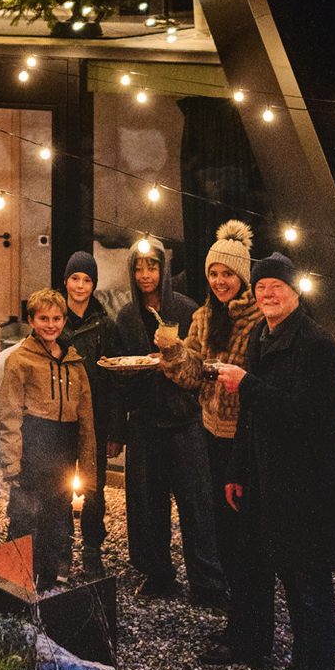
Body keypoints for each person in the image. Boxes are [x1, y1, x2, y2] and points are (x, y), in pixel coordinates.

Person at [214, 252, 335, 670]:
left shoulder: (316, 346)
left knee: (311, 590)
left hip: (310, 489)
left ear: (296, 292)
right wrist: (237, 470)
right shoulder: (260, 336)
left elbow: (310, 420)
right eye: (261, 287)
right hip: (272, 483)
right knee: (290, 582)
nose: (267, 293)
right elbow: (250, 421)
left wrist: (248, 385)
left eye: (276, 286)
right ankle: (299, 669)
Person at [154, 218, 265, 656]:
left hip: (247, 440)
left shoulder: (259, 319)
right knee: (223, 532)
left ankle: (253, 632)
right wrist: (171, 351)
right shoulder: (202, 316)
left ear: (243, 276)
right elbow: (191, 376)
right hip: (211, 435)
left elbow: (256, 383)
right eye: (214, 273)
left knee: (247, 538)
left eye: (228, 274)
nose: (220, 281)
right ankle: (239, 626)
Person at [103, 237, 226, 605]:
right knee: (145, 505)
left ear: (163, 269)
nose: (144, 275)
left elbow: (200, 364)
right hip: (144, 422)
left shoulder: (186, 309)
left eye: (152, 267)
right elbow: (118, 372)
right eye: (138, 268)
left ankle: (208, 582)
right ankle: (157, 574)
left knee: (198, 505)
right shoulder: (125, 317)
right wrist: (118, 428)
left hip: (185, 421)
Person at [0, 286, 98, 589]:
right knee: (25, 514)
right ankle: (16, 580)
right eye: (44, 318)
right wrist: (11, 462)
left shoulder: (74, 363)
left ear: (64, 320)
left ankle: (48, 579)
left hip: (64, 448)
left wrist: (88, 467)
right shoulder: (21, 360)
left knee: (57, 515)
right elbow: (9, 414)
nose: (51, 325)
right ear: (32, 320)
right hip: (34, 443)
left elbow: (86, 418)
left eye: (57, 318)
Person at [61, 250, 114, 576]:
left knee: (94, 487)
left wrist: (114, 429)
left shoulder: (105, 325)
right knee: (59, 483)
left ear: (94, 284)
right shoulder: (53, 317)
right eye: (75, 278)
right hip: (61, 417)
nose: (80, 286)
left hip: (96, 417)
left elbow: (112, 379)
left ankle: (92, 549)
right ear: (66, 280)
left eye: (87, 279)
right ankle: (62, 546)